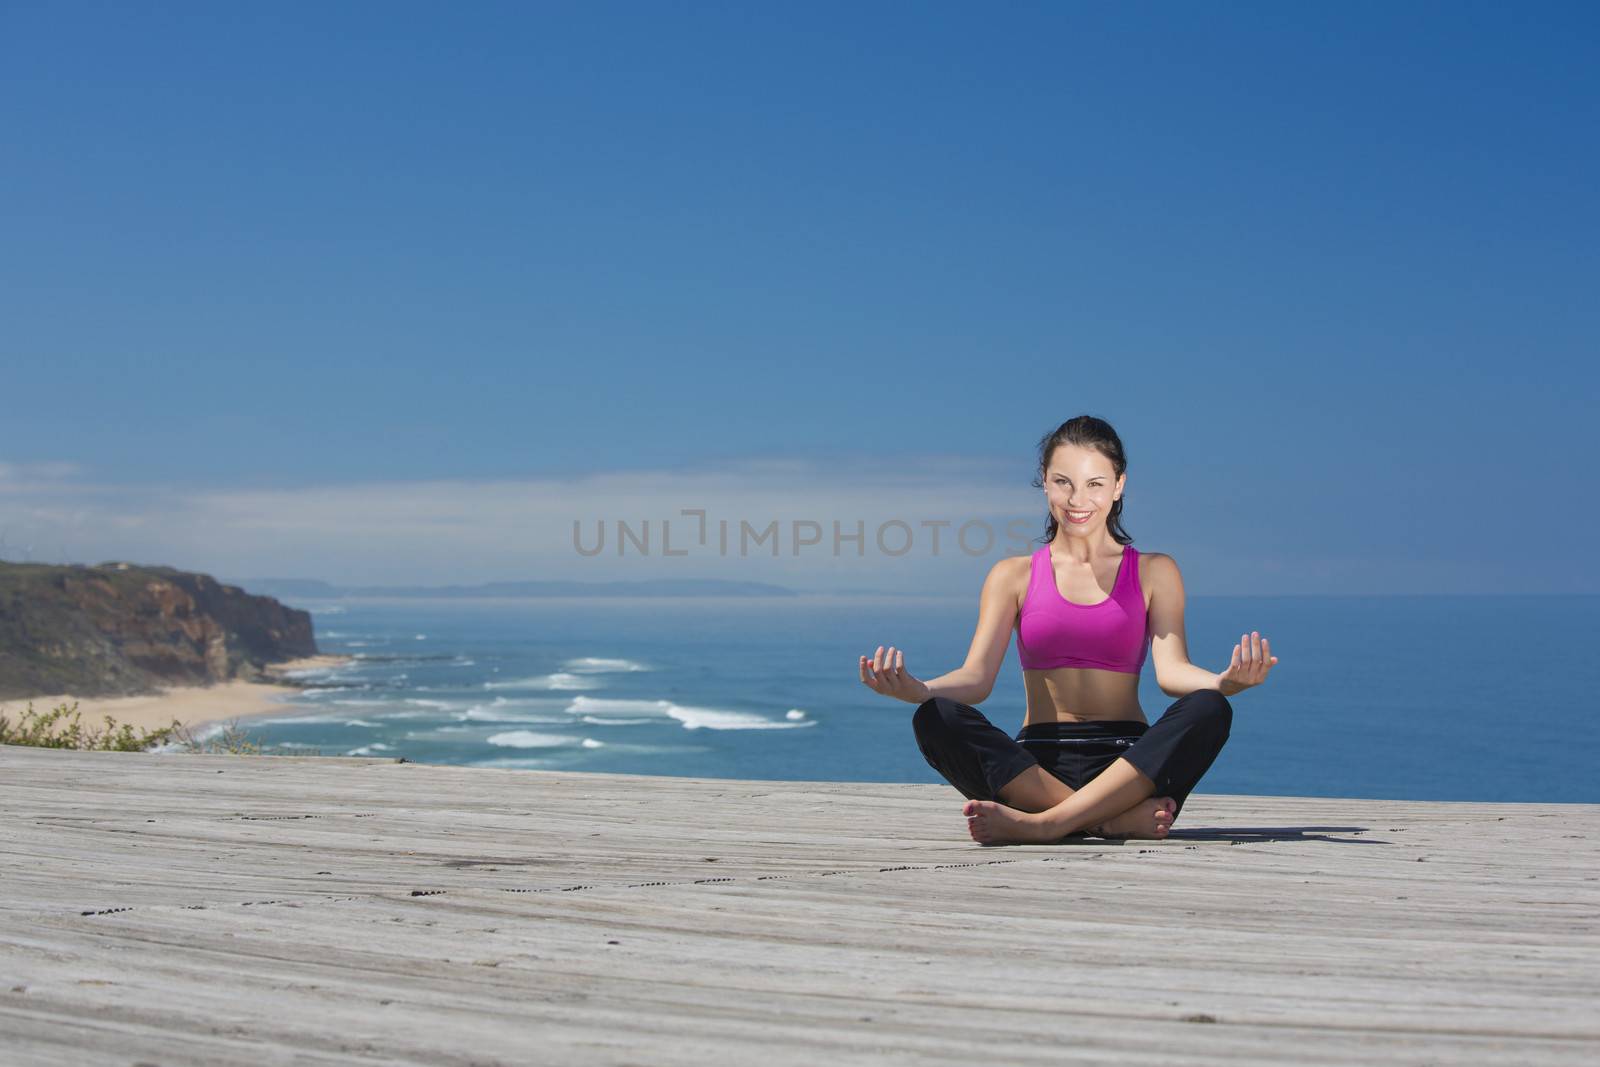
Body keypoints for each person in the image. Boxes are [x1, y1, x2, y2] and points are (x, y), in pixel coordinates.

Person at [858, 415, 1277, 845]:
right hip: (1036, 767)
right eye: (1064, 482)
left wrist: (1223, 682)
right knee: (934, 718)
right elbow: (977, 678)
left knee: (1210, 708)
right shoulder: (1012, 575)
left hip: (1128, 766)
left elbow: (1172, 673)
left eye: (1095, 483)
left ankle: (1047, 824)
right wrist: (920, 689)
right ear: (1044, 482)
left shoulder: (1156, 572)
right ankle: (1106, 822)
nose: (1079, 499)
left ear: (1119, 486)